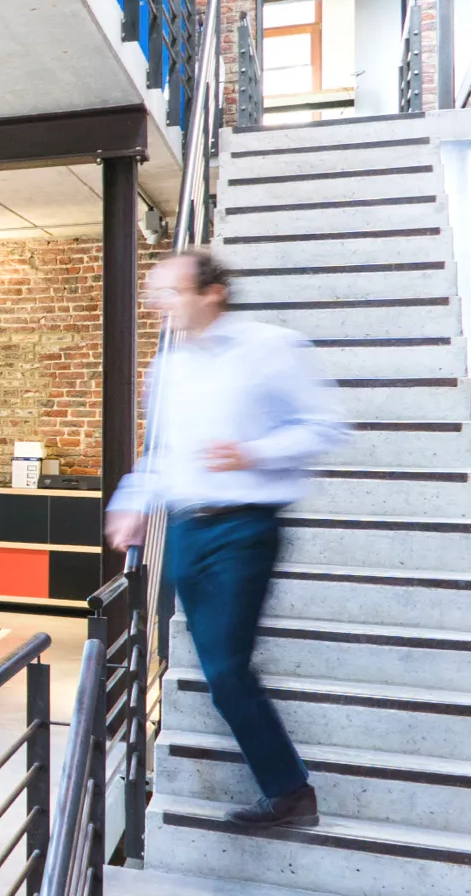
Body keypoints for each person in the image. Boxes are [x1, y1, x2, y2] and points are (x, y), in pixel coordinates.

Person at [104, 250, 347, 829]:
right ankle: (288, 789)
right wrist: (132, 503)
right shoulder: (169, 368)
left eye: (171, 293)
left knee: (225, 668)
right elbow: (160, 452)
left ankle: (291, 793)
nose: (161, 306)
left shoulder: (271, 348)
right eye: (156, 296)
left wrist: (253, 452)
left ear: (212, 292)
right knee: (219, 665)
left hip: (243, 525)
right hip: (185, 529)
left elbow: (327, 425)